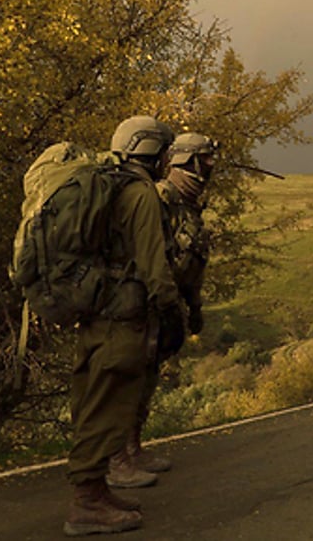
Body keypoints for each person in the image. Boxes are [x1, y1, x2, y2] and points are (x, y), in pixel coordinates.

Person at [64, 116, 179, 536]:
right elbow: (154, 266)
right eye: (164, 150)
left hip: (92, 314)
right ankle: (86, 503)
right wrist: (171, 309)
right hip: (122, 318)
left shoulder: (102, 187)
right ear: (149, 150)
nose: (168, 159)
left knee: (90, 401)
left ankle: (96, 492)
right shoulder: (139, 194)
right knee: (109, 407)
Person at [125, 133, 218, 473]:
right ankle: (118, 454)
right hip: (143, 305)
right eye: (203, 163)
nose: (207, 171)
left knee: (148, 377)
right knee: (132, 378)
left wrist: (194, 309)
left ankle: (133, 447)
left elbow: (193, 262)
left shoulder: (190, 208)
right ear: (186, 162)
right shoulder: (159, 198)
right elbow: (147, 255)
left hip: (167, 306)